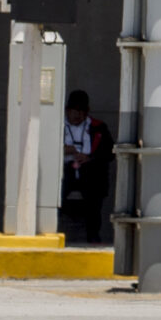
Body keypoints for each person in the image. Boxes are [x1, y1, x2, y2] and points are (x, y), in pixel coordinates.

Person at [60, 89, 113, 244]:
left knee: (93, 210)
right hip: (65, 174)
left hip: (90, 176)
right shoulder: (57, 126)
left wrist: (90, 158)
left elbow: (110, 152)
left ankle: (93, 238)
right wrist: (62, 149)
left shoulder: (98, 127)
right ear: (67, 110)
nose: (78, 115)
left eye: (82, 111)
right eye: (75, 111)